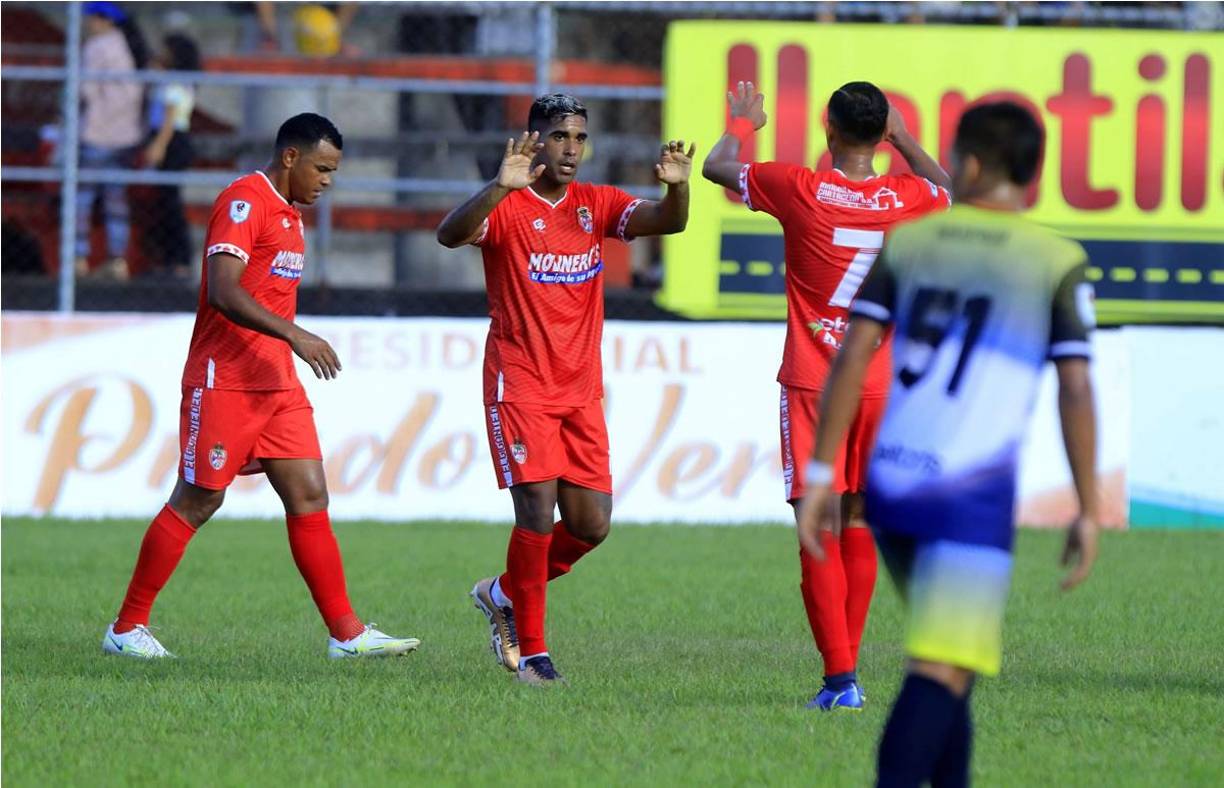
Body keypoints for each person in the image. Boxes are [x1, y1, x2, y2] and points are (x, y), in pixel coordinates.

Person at [796, 101, 1100, 785]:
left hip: (892, 481)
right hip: (965, 492)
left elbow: (853, 355)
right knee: (937, 670)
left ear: (965, 163)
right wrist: (1086, 503)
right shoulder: (1054, 259)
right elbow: (1076, 387)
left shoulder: (912, 243)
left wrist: (821, 469)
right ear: (1036, 172)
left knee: (949, 658)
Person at [102, 113, 419, 660]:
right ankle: (126, 628)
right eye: (321, 168)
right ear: (291, 157)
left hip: (276, 384)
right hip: (224, 380)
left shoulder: (292, 216)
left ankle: (346, 635)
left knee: (310, 494)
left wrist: (286, 346)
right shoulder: (244, 201)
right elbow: (223, 291)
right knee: (200, 498)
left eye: (334, 172)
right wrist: (295, 333)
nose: (326, 181)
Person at [702, 81, 952, 710]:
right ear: (882, 131)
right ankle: (848, 676)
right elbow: (947, 188)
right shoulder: (906, 197)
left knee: (818, 527)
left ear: (828, 130)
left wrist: (744, 121)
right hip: (880, 384)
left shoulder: (800, 188)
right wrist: (902, 135)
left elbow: (715, 166)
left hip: (816, 382)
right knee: (861, 520)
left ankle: (840, 681)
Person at [436, 94, 694, 685]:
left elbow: (669, 221)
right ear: (534, 141)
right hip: (520, 384)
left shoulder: (595, 205)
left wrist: (678, 187)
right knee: (534, 510)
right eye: (559, 137)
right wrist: (498, 186)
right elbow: (449, 235)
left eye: (579, 138)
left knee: (590, 524)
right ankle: (533, 655)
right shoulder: (506, 205)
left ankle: (499, 592)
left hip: (580, 392)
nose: (571, 149)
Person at [75, 1, 144, 281]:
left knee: (82, 198)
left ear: (104, 20)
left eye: (92, 18)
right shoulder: (129, 45)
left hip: (97, 133)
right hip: (125, 136)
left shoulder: (97, 47)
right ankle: (117, 259)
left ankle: (78, 257)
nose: (88, 24)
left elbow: (85, 91)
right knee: (116, 200)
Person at [143, 32, 200, 279]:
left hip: (172, 139)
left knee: (170, 202)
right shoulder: (169, 78)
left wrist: (159, 145)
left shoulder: (176, 81)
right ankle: (169, 258)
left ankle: (180, 260)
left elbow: (170, 115)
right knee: (164, 201)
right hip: (167, 137)